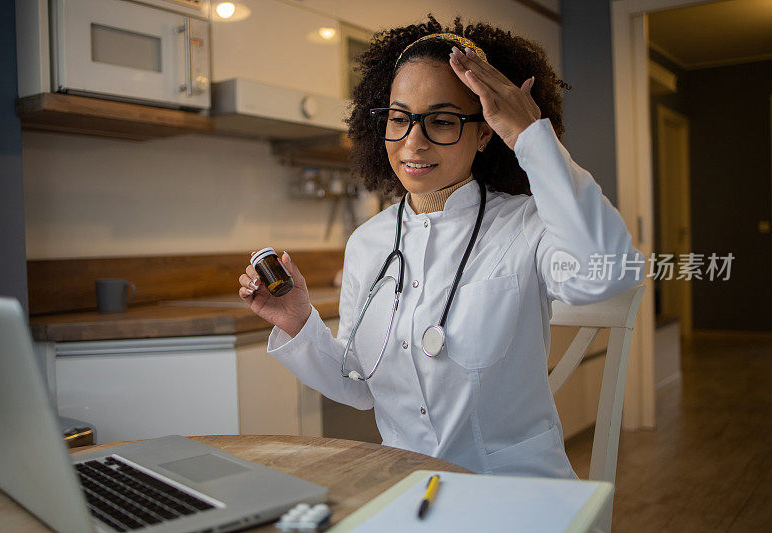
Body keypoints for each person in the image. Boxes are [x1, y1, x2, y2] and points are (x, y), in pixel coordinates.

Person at [238, 14, 645, 479]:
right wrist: (298, 323)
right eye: (399, 118)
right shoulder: (368, 243)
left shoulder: (527, 224)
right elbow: (358, 385)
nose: (413, 142)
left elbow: (607, 272)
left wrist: (532, 137)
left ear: (487, 131)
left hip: (515, 493)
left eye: (442, 121)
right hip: (408, 490)